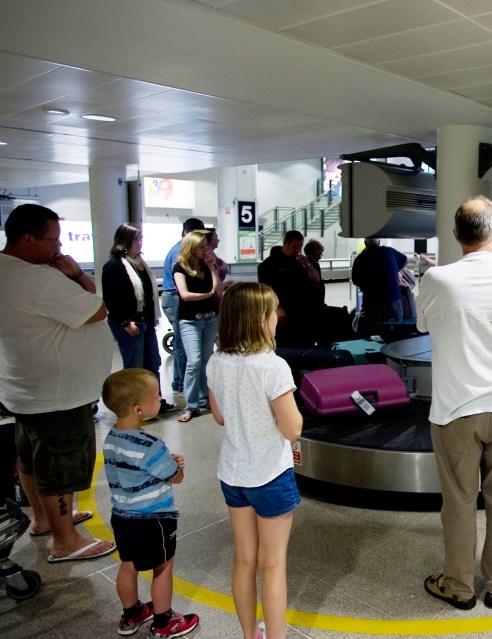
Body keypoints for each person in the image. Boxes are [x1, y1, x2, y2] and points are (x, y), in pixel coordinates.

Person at [417, 196, 492, 611]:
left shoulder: (436, 280)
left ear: (455, 236)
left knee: (459, 503)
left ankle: (460, 587)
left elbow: (425, 324)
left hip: (454, 413)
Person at [0, 204, 116, 562]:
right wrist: (77, 275)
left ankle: (43, 519)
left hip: (28, 390)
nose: (58, 247)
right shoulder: (36, 279)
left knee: (33, 461)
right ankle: (66, 541)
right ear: (28, 238)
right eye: (53, 240)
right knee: (59, 466)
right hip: (57, 395)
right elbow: (96, 310)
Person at [206, 282, 302, 639]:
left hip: (232, 473)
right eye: (273, 311)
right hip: (270, 475)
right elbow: (292, 428)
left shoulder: (216, 360)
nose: (277, 317)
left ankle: (250, 635)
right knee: (273, 564)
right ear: (261, 319)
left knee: (244, 559)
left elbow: (218, 416)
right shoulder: (272, 366)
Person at [101, 369, 199, 637]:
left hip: (122, 515)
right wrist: (178, 466)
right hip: (153, 517)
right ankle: (163, 621)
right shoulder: (151, 444)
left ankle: (132, 613)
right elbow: (174, 478)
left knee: (128, 564)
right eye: (156, 395)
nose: (160, 398)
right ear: (138, 409)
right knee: (163, 565)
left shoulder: (111, 438)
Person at [102, 223, 176, 413]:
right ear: (125, 241)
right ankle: (134, 406)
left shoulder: (141, 264)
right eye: (137, 239)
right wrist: (125, 322)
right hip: (128, 324)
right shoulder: (114, 266)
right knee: (134, 369)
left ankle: (155, 402)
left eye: (141, 238)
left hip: (146, 322)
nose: (140, 242)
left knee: (153, 364)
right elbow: (110, 299)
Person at [173, 230, 222, 422]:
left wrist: (212, 269)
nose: (206, 250)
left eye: (206, 246)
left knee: (206, 360)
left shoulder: (206, 265)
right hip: (190, 321)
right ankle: (191, 405)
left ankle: (205, 398)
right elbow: (184, 295)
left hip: (210, 318)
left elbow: (218, 288)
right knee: (194, 362)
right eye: (202, 247)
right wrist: (208, 295)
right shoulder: (180, 268)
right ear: (192, 248)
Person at [161, 218, 205, 395]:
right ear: (188, 233)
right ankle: (179, 383)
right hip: (174, 298)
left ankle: (181, 382)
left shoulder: (181, 249)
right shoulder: (180, 252)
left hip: (174, 298)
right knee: (181, 344)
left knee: (183, 344)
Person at [258, 231, 321, 347]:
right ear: (285, 244)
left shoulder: (301, 263)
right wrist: (276, 308)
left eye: (300, 247)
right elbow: (265, 290)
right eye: (294, 247)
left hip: (303, 313)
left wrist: (307, 265)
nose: (297, 250)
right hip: (283, 311)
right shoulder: (268, 265)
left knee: (305, 344)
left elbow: (316, 280)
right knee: (285, 344)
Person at [351, 238, 408, 332]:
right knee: (395, 330)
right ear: (379, 242)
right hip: (393, 297)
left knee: (374, 332)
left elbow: (355, 280)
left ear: (365, 243)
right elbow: (405, 260)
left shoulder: (360, 258)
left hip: (372, 301)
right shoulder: (389, 251)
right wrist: (395, 271)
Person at [206, 227, 230, 303]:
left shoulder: (211, 254)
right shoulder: (209, 255)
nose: (218, 240)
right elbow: (218, 276)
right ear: (210, 240)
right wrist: (224, 268)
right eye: (216, 238)